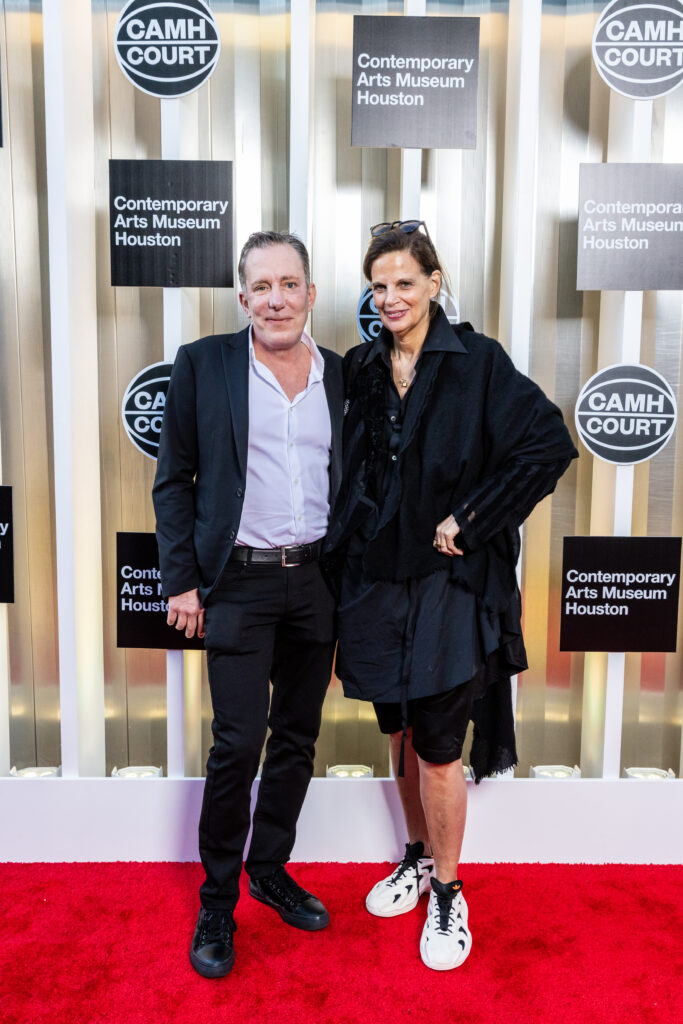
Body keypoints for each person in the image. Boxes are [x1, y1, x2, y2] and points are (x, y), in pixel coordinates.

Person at [324, 221, 578, 972]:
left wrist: (471, 518)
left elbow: (547, 445)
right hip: (372, 586)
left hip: (447, 587)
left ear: (434, 283)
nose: (392, 297)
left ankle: (446, 890)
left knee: (438, 751)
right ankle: (413, 855)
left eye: (405, 282)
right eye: (379, 285)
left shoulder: (479, 364)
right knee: (400, 735)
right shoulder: (360, 368)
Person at [153, 231, 343, 979]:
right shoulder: (204, 364)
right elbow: (176, 481)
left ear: (310, 294)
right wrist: (180, 581)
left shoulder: (343, 376)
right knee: (238, 745)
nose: (275, 298)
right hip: (237, 583)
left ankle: (270, 869)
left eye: (289, 284)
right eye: (261, 286)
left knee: (297, 737)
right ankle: (217, 900)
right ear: (242, 298)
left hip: (317, 581)